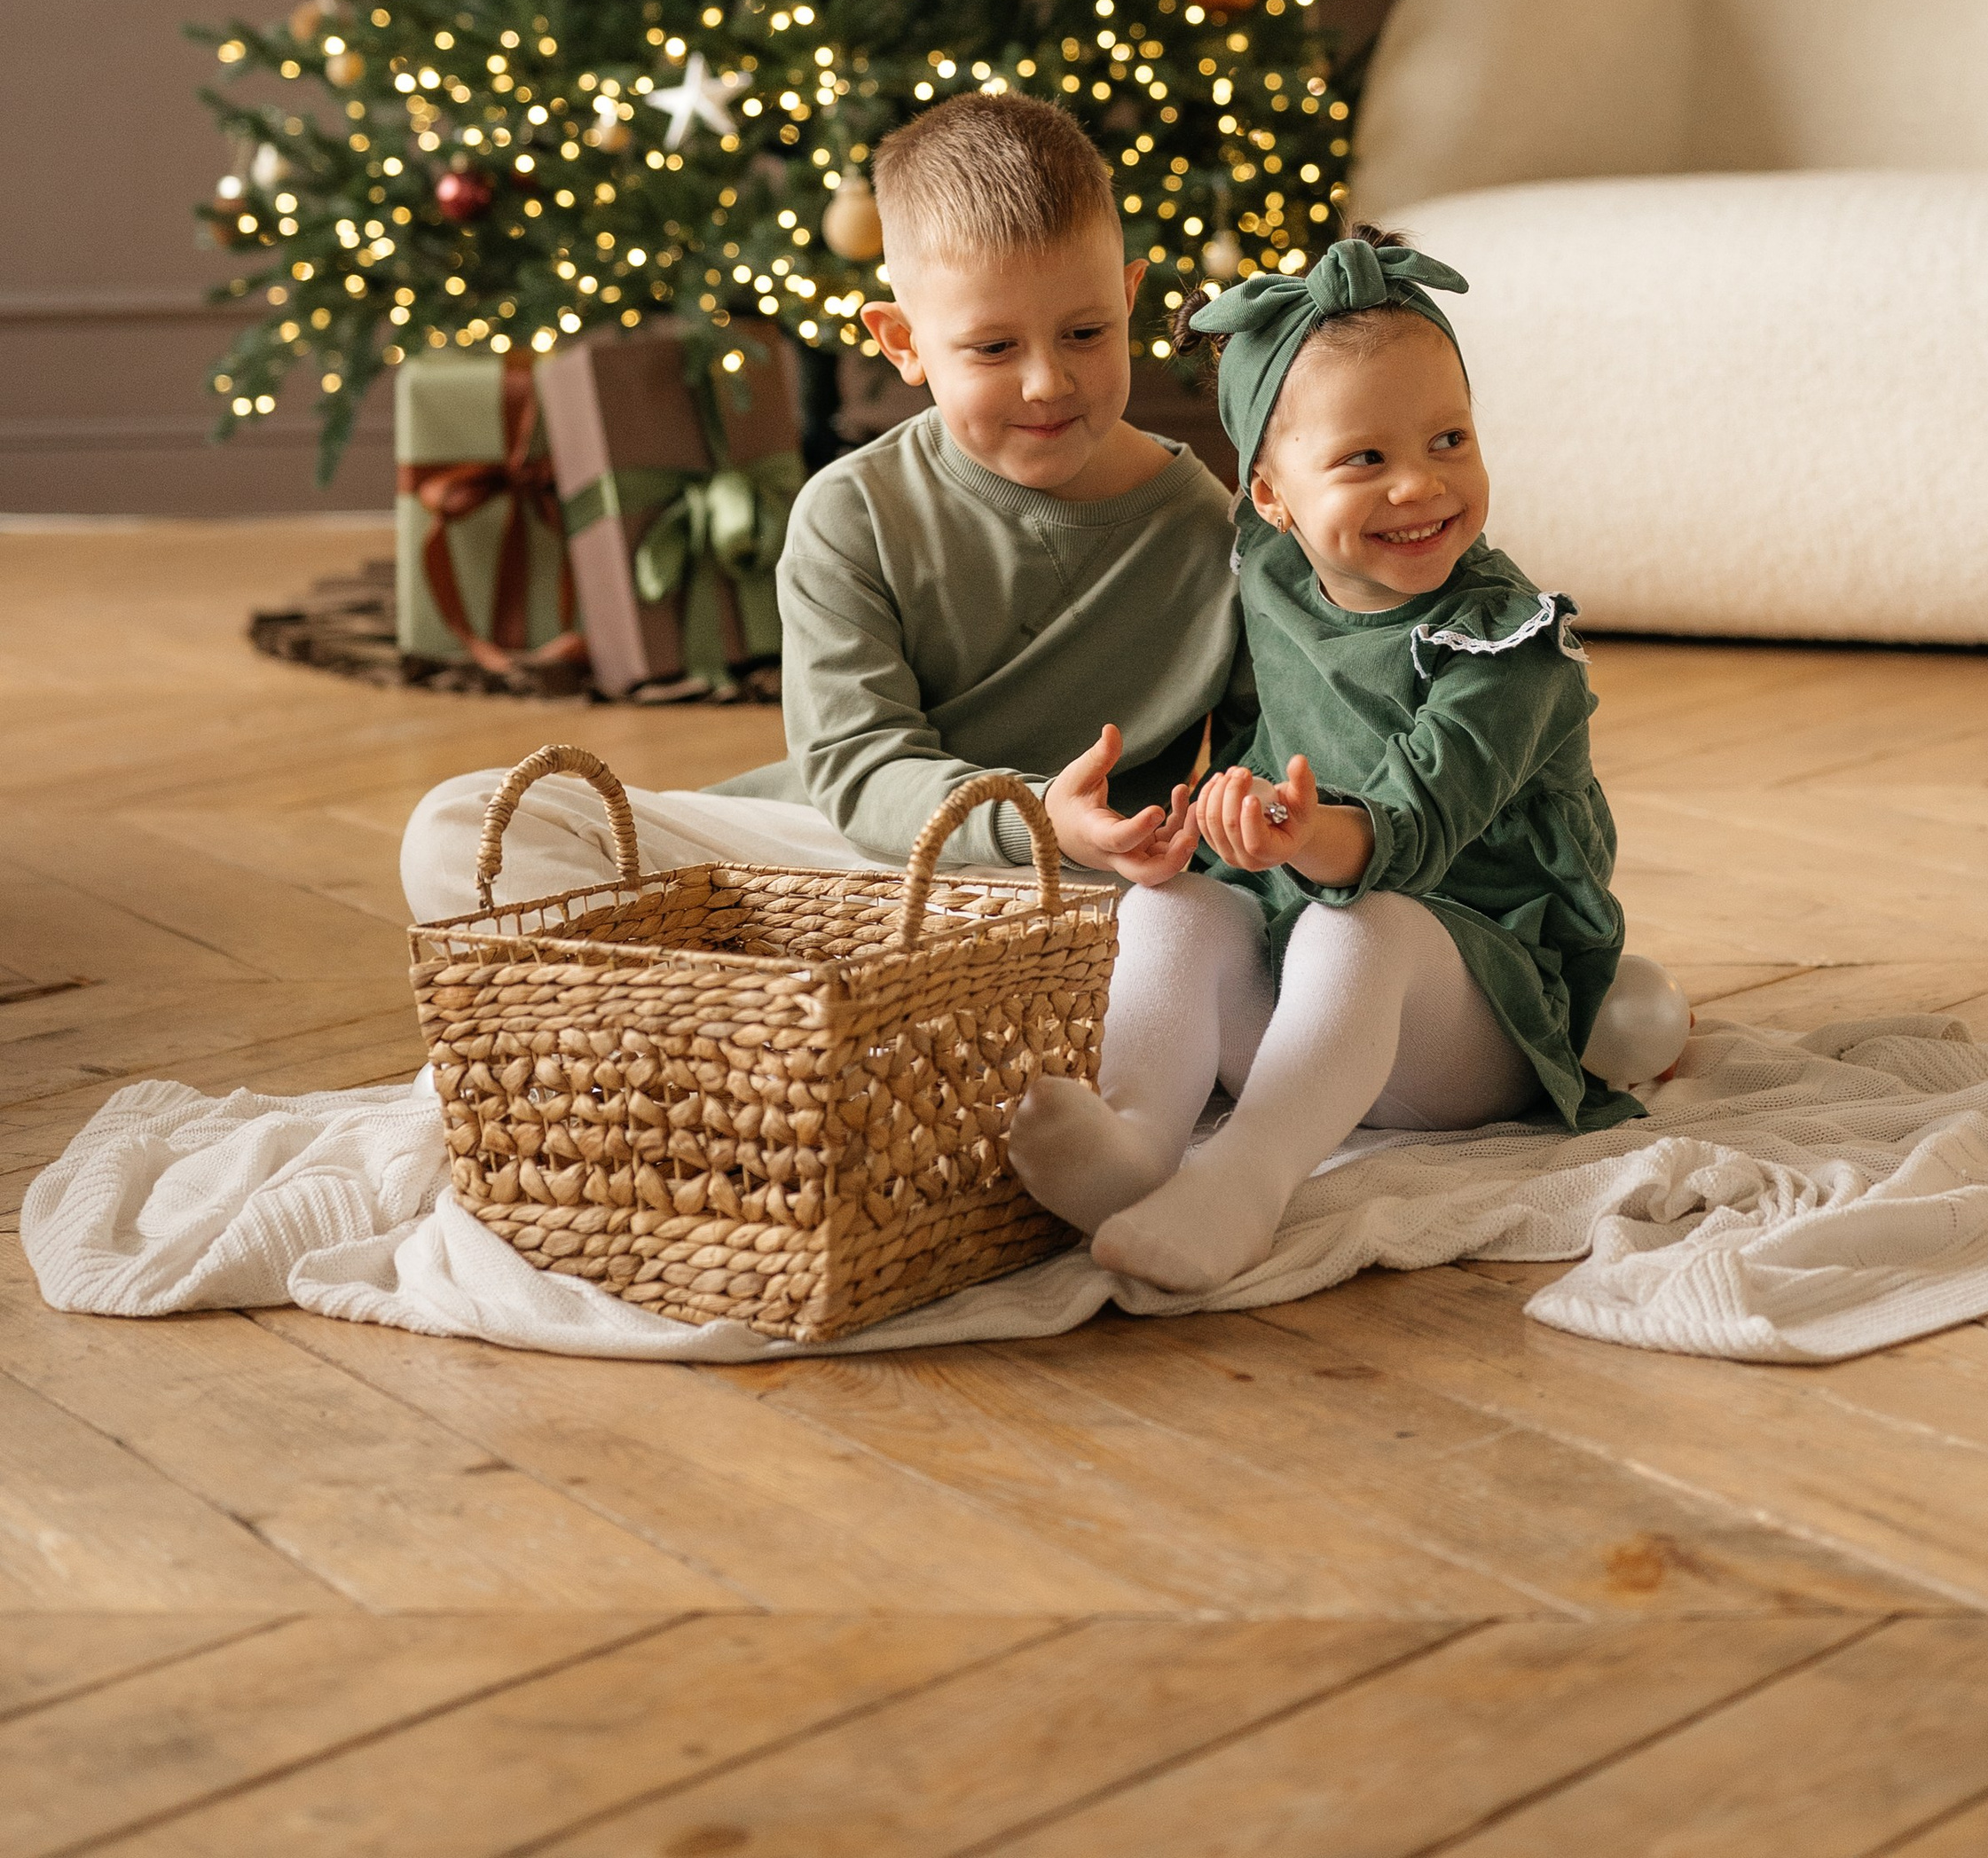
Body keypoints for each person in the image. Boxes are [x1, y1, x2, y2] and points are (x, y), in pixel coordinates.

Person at [1007, 233, 1690, 1294]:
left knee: (1360, 921)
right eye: (1365, 458)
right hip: (1299, 997)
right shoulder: (1271, 580)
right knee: (1172, 909)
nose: (1421, 484)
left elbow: (1421, 818)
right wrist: (1199, 823)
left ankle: (1243, 1177)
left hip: (1473, 1012)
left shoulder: (1507, 643)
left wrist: (1305, 835)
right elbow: (1247, 728)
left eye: (1448, 438)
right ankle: (1136, 1141)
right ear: (1274, 499)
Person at [398, 90, 1246, 916]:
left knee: (1197, 928)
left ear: (1131, 298)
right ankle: (770, 1020)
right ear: (903, 343)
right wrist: (1028, 821)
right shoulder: (853, 512)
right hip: (833, 862)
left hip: (1072, 894)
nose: (1047, 381)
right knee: (460, 829)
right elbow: (860, 767)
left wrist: (1168, 843)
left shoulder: (1218, 533)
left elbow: (1252, 773)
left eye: (1087, 333)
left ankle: (785, 1026)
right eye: (993, 347)